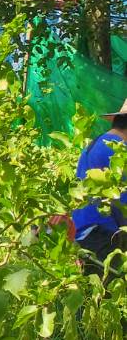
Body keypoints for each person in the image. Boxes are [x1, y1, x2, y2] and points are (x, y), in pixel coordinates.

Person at [72, 97, 127, 276]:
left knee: (91, 297)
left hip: (85, 233)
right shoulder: (120, 151)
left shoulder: (96, 143)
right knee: (105, 296)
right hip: (105, 237)